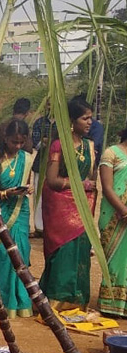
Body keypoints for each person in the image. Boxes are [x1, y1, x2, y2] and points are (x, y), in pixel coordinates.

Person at [39, 98, 97, 311]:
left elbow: (92, 178)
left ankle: (77, 301)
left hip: (81, 208)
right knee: (64, 251)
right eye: (85, 118)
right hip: (60, 210)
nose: (90, 122)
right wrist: (79, 184)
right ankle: (56, 299)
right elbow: (52, 180)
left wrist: (88, 186)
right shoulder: (59, 145)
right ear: (72, 121)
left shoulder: (88, 146)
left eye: (91, 118)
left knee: (80, 251)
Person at [0, 119, 35, 318]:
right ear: (5, 139)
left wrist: (28, 189)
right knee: (1, 255)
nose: (18, 146)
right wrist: (5, 194)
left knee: (20, 254)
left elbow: (26, 183)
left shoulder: (27, 159)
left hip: (19, 211)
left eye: (21, 142)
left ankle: (18, 301)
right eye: (14, 142)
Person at [97, 129, 127, 318]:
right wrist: (124, 211)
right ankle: (110, 304)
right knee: (115, 261)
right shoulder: (111, 153)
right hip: (114, 215)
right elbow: (107, 187)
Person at [31, 103, 55, 237]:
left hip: (56, 165)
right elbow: (37, 143)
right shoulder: (39, 122)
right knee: (39, 196)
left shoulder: (64, 123)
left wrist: (48, 141)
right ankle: (39, 228)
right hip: (40, 164)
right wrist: (47, 142)